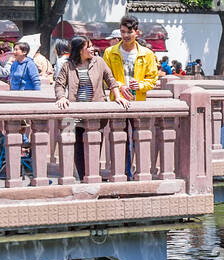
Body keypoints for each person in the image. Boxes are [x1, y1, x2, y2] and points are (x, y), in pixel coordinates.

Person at [55, 36, 129, 179]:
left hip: (95, 111)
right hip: (74, 113)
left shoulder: (99, 62)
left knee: (94, 145)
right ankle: (83, 177)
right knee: (75, 147)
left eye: (92, 46)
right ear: (79, 50)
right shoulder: (67, 65)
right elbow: (59, 84)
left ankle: (93, 175)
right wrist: (61, 97)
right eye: (88, 46)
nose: (92, 49)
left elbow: (111, 80)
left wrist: (118, 96)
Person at [103, 16, 160, 179]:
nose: (126, 35)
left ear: (137, 32)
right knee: (120, 140)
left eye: (129, 32)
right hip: (118, 101)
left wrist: (140, 85)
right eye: (122, 32)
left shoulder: (147, 54)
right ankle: (124, 173)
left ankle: (141, 173)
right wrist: (119, 86)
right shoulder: (110, 52)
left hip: (138, 102)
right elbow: (104, 77)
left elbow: (153, 78)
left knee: (139, 138)